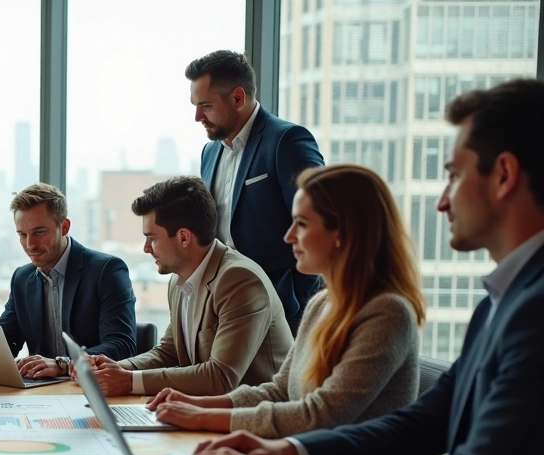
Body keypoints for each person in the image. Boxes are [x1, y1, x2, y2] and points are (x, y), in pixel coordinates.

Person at [177, 79, 544, 455]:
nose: (442, 201)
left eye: (454, 176)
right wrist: (285, 453)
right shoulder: (500, 302)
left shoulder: (531, 309)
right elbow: (422, 426)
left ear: (504, 175)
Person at [147, 165, 425, 436]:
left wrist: (205, 417)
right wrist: (194, 404)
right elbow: (279, 391)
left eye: (302, 224)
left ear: (342, 233)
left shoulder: (388, 312)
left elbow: (320, 415)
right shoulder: (322, 304)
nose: (289, 236)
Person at [80, 176, 292, 397]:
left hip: (258, 419)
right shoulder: (179, 278)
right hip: (206, 411)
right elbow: (169, 351)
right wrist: (116, 368)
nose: (146, 248)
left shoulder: (239, 280)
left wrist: (129, 382)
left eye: (152, 238)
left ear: (183, 237)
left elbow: (220, 377)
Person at [187, 50, 325, 333]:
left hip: (284, 309)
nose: (197, 116)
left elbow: (321, 222)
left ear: (238, 97)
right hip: (225, 307)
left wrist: (298, 301)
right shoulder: (209, 152)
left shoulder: (287, 140)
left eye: (206, 106)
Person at [0, 182, 137, 379]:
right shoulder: (22, 278)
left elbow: (121, 344)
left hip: (90, 388)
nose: (30, 245)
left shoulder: (107, 270)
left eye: (39, 233)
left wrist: (62, 364)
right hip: (39, 392)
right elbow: (4, 342)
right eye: (22, 234)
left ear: (64, 227)